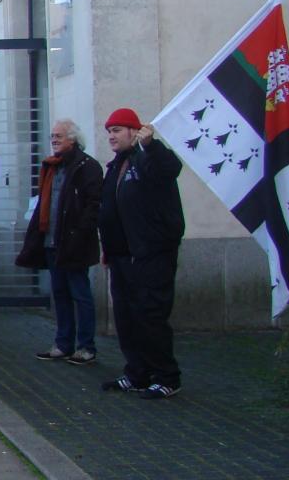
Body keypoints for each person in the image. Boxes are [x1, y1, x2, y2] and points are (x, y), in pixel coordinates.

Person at [97, 108, 185, 399]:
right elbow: (111, 211)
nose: (111, 136)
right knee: (126, 316)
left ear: (135, 132)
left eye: (118, 130)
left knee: (151, 315)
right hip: (123, 257)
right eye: (109, 131)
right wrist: (109, 249)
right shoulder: (117, 165)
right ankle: (137, 373)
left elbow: (170, 169)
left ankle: (167, 377)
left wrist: (152, 145)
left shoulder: (146, 159)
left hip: (151, 254)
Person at [15, 119, 103, 365]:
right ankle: (63, 343)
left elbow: (92, 206)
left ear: (73, 139)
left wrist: (80, 234)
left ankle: (86, 346)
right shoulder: (52, 167)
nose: (54, 140)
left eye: (59, 136)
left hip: (75, 243)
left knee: (80, 294)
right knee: (60, 293)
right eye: (52, 136)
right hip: (52, 241)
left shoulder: (88, 167)